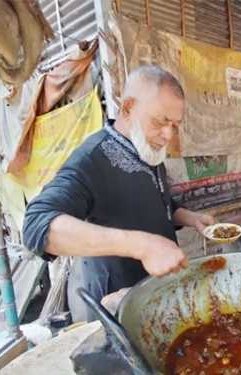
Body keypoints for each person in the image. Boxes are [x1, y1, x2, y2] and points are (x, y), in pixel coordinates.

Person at [22, 65, 215, 322]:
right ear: (127, 108)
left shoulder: (148, 150)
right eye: (160, 122)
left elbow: (160, 202)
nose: (168, 135)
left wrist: (191, 218)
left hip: (152, 296)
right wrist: (143, 246)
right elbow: (37, 224)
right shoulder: (92, 158)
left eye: (175, 125)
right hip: (111, 306)